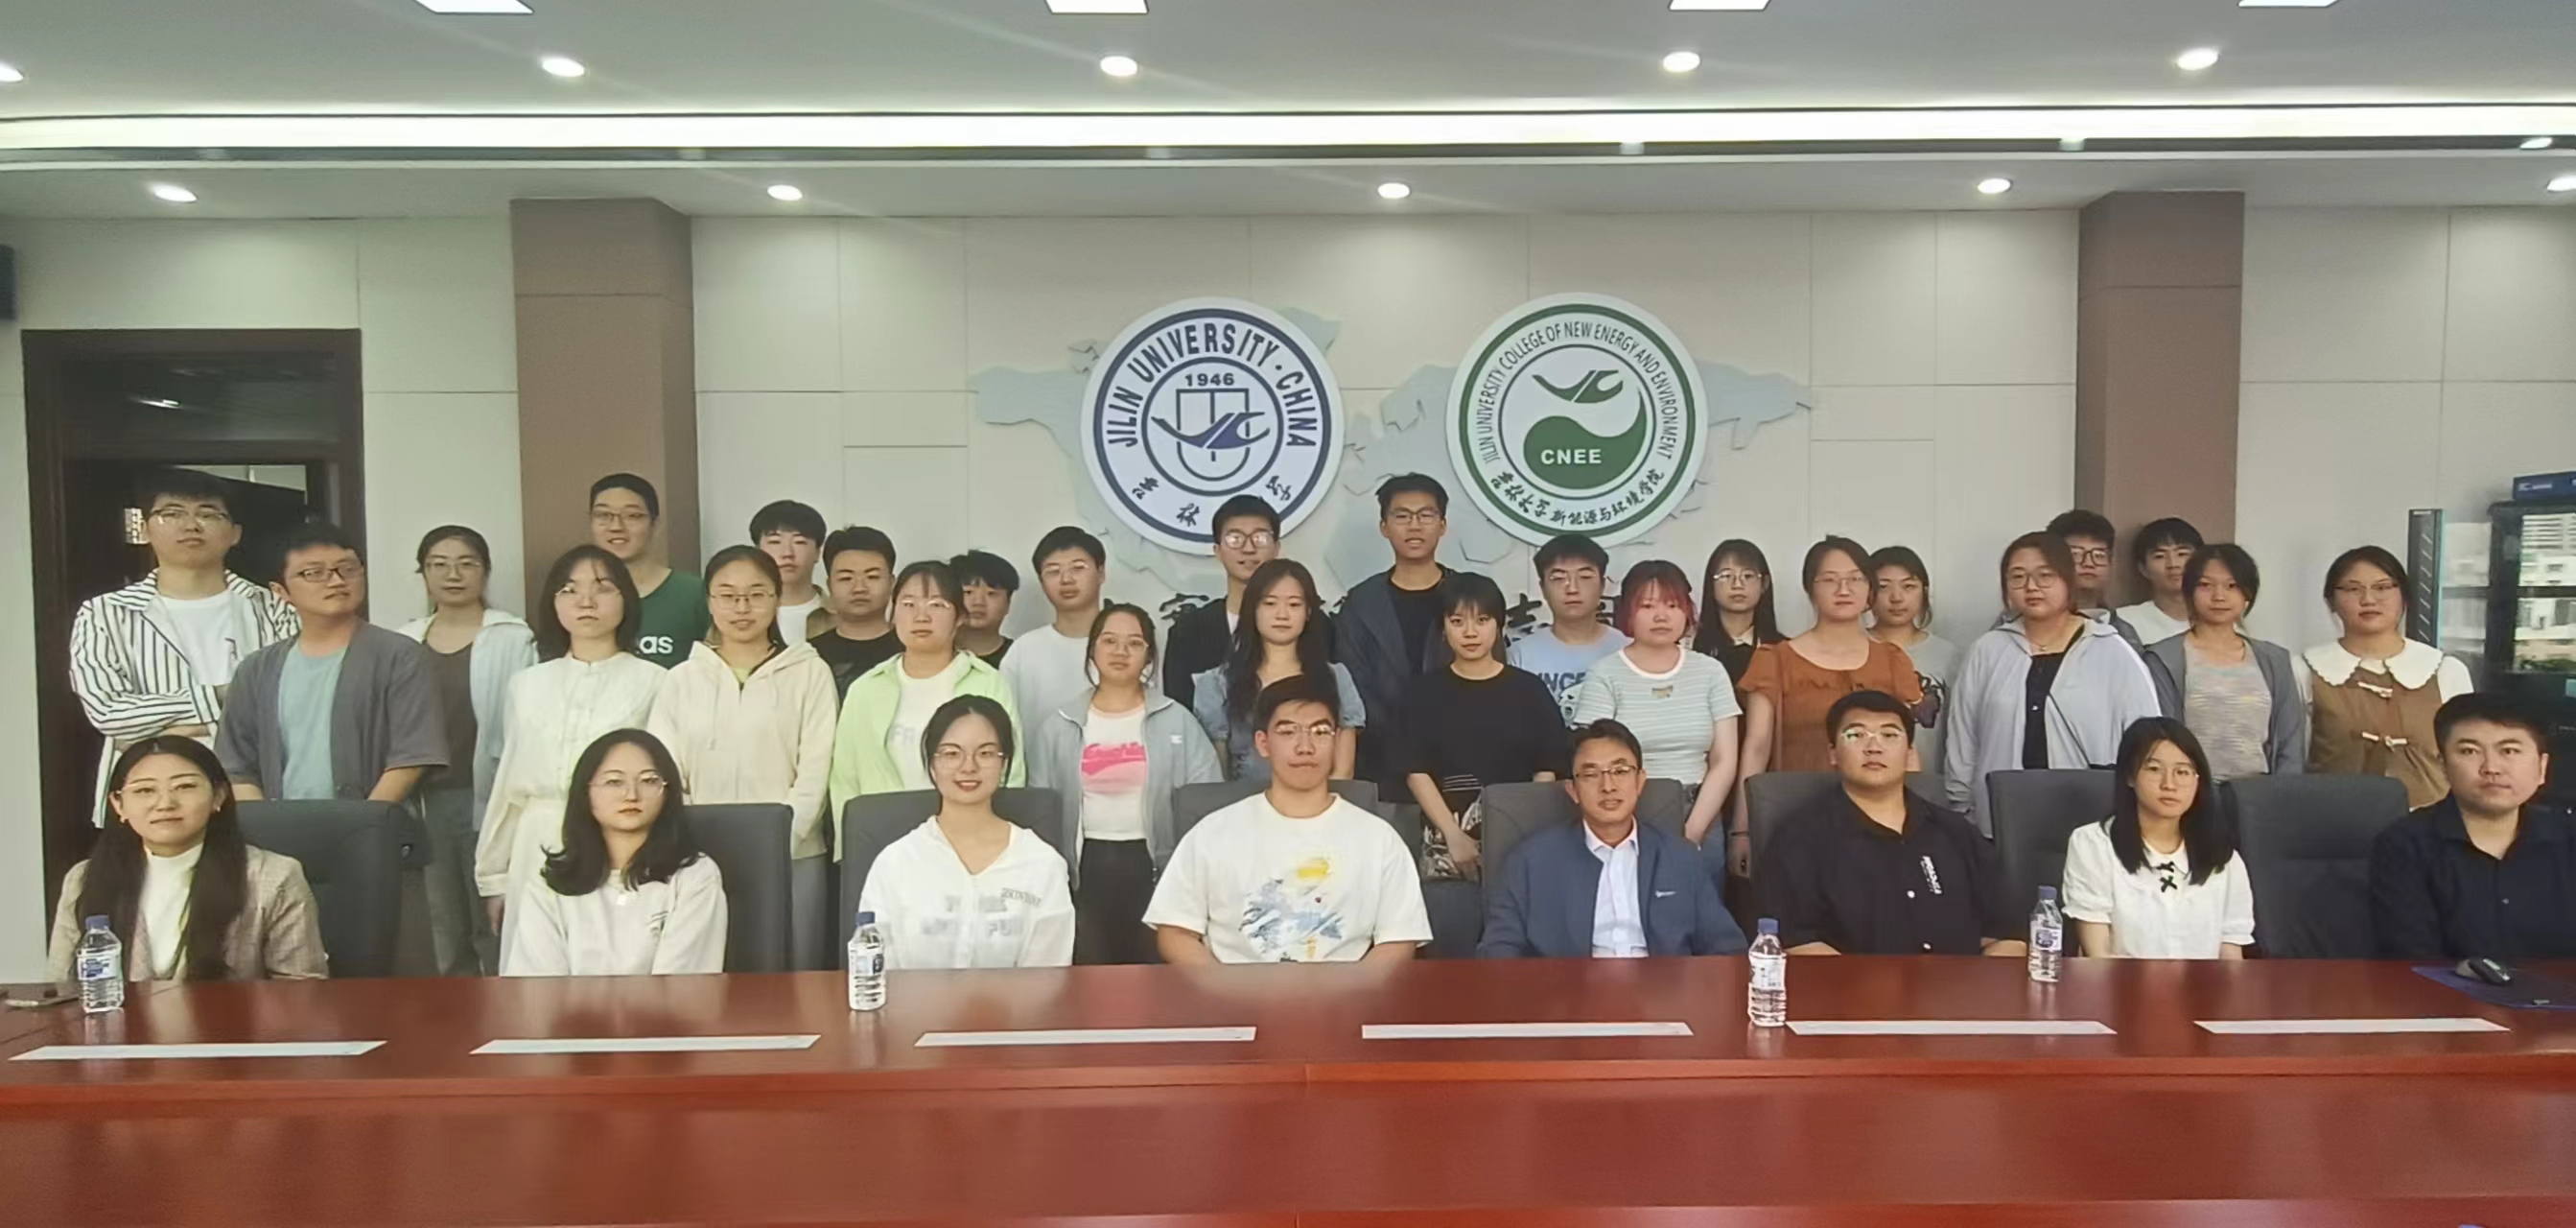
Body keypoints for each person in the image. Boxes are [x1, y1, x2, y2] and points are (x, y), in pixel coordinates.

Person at [1144, 674, 1432, 964]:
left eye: (1320, 732)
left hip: (1346, 991)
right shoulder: (1212, 833)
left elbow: (1398, 940)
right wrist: (1223, 987)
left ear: (1336, 741)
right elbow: (1176, 931)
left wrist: (1355, 990)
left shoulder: (1379, 839)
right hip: (1235, 989)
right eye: (1288, 732)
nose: (1305, 746)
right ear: (1263, 743)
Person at [646, 546, 839, 969]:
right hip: (696, 857)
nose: (742, 607)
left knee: (793, 977)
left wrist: (774, 843)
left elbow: (816, 770)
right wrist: (693, 842)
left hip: (793, 856)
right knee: (709, 972)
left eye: (756, 594)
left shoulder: (810, 673)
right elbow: (664, 773)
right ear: (709, 601)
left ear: (777, 598)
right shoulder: (680, 680)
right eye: (728, 596)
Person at [71, 470, 299, 818]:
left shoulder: (275, 608)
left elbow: (290, 705)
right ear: (145, 528)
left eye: (208, 514)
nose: (191, 525)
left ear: (235, 533)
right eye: (172, 513)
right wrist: (223, 696)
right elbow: (109, 713)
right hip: (150, 804)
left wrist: (167, 732)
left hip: (258, 791)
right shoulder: (105, 613)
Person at [474, 546, 667, 930]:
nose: (586, 601)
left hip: (618, 843)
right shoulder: (526, 685)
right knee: (536, 957)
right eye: (569, 589)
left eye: (603, 587)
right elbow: (508, 785)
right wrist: (494, 876)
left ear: (626, 599)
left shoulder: (656, 681)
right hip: (535, 843)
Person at [1757, 691, 2026, 956]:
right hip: (1851, 984)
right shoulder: (1800, 839)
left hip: (1960, 983)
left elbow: (2009, 935)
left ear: (1909, 753)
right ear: (1833, 753)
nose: (1874, 747)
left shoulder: (1957, 833)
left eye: (1889, 735)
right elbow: (1796, 942)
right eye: (1856, 735)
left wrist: (1976, 983)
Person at [1026, 602, 1223, 964]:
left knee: (1152, 974)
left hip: (1157, 865)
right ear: (1092, 650)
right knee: (1091, 971)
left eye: (1134, 643)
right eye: (1109, 641)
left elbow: (1205, 802)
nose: (1120, 651)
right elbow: (1041, 812)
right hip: (1084, 867)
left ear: (1149, 655)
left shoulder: (1176, 720)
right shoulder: (1059, 725)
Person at [47, 736, 326, 982]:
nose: (165, 803)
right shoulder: (83, 879)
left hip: (231, 1026)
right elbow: (61, 987)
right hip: (114, 1026)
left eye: (184, 787)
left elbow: (301, 990)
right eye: (144, 790)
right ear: (118, 805)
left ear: (218, 796)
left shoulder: (273, 877)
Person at [1945, 532, 2162, 835]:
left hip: (2092, 822)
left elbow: (2148, 738)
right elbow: (1963, 738)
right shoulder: (1987, 650)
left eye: (2045, 575)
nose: (2031, 586)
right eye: (2017, 577)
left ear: (2068, 579)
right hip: (2000, 821)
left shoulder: (2112, 651)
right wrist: (1962, 810)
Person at [217, 523, 447, 804]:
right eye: (314, 573)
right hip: (279, 825)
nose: (337, 581)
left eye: (348, 569)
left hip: (375, 823)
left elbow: (412, 755)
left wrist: (364, 822)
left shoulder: (400, 655)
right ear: (280, 591)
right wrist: (266, 823)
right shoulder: (256, 669)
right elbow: (236, 766)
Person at [394, 525, 538, 976]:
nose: (453, 575)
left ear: (485, 571)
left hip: (492, 794)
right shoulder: (404, 641)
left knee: (494, 914)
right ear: (423, 574)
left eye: (466, 564)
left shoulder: (513, 636)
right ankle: (455, 1005)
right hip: (426, 798)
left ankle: (503, 1000)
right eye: (439, 565)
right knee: (442, 918)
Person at [1477, 720, 1745, 959]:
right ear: (1573, 790)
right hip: (1567, 993)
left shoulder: (1681, 857)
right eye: (1591, 775)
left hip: (1664, 992)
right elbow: (1499, 949)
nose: (1608, 786)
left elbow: (1726, 948)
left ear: (1640, 782)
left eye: (1620, 771)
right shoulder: (1530, 860)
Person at [859, 696, 1076, 970]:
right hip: (914, 1000)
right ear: (932, 765)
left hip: (1018, 1001)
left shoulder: (1041, 864)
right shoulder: (895, 863)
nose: (969, 766)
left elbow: (1048, 977)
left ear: (1004, 764)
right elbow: (876, 971)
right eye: (952, 754)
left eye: (985, 753)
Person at [499, 729, 728, 977]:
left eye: (648, 780)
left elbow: (681, 987)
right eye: (614, 782)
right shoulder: (549, 883)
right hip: (565, 1005)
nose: (631, 795)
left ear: (668, 791)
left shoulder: (694, 877)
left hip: (664, 1005)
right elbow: (538, 986)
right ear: (585, 792)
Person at [2371, 693, 2575, 960]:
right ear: (2444, 766)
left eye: (2509, 751)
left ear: (2542, 767)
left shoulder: (2569, 839)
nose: (2491, 768)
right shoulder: (2405, 845)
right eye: (2469, 751)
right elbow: (2411, 959)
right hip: (2443, 988)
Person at [1402, 573, 1569, 881]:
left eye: (1482, 620)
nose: (1470, 632)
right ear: (1443, 629)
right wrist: (1453, 834)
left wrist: (1522, 829)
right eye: (1457, 622)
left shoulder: (1529, 691)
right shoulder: (1422, 694)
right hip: (1446, 846)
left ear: (1499, 624)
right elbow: (1415, 770)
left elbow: (1547, 768)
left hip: (1523, 840)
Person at [1571, 560, 1740, 852]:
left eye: (1672, 605)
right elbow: (1591, 757)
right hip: (1628, 812)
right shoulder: (1605, 674)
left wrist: (1694, 830)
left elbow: (1724, 760)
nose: (1661, 616)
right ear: (1627, 612)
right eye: (1647, 606)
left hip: (1701, 809)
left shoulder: (1710, 671)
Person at [1738, 536, 1925, 790]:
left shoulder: (1892, 660)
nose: (1843, 590)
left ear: (1869, 589)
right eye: (1829, 580)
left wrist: (1915, 807)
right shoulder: (1775, 660)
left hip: (1878, 804)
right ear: (1810, 589)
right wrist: (1744, 815)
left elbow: (1906, 749)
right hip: (1798, 804)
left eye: (1855, 579)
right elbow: (1757, 748)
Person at [830, 559, 1024, 801]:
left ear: (959, 617)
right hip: (882, 824)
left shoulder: (988, 683)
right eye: (908, 604)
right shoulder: (866, 689)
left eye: (936, 605)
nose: (921, 616)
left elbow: (1011, 772)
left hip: (968, 822)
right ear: (893, 614)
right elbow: (844, 781)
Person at [2062, 718, 2256, 959]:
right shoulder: (2093, 845)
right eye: (2154, 769)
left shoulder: (2223, 859)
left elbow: (2231, 959)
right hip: (2120, 982)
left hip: (2203, 984)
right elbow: (2098, 955)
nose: (2169, 784)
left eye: (2182, 772)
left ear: (2198, 781)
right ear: (2130, 776)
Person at [2304, 545, 2474, 810]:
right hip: (2332, 821)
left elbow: (2467, 756)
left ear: (2404, 597)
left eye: (2383, 588)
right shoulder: (2305, 669)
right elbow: (2292, 758)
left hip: (2427, 823)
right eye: (2352, 589)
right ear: (2331, 601)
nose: (2368, 599)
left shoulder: (2445, 669)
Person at [1191, 559, 1366, 783]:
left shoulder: (1336, 678)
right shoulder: (1218, 683)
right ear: (1253, 609)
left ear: (1308, 612)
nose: (1282, 614)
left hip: (1320, 800)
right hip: (1243, 802)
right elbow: (1215, 775)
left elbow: (1343, 771)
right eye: (1270, 603)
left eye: (1294, 605)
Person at [2141, 543, 2306, 779]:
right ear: (2189, 592)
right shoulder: (2163, 658)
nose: (2219, 596)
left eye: (2232, 586)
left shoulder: (2275, 660)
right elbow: (2163, 737)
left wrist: (2282, 795)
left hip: (2260, 793)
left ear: (2247, 594)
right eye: (2205, 585)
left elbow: (2290, 744)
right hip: (2190, 790)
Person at [1337, 474, 1454, 791]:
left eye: (1425, 515)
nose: (1414, 526)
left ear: (1442, 525)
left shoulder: (1467, 595)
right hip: (1380, 762)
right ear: (1384, 526)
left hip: (1459, 755)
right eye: (1402, 516)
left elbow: (1490, 671)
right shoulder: (1361, 602)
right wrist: (1401, 740)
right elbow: (1352, 682)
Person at [1163, 495, 1280, 712]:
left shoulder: (1310, 624)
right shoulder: (1189, 631)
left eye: (1260, 538)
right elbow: (1179, 714)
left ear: (1276, 548)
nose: (1248, 548)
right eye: (1235, 539)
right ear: (1217, 551)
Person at [1001, 526, 1112, 736]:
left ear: (1101, 573)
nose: (1066, 579)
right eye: (1053, 571)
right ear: (1041, 582)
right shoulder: (1024, 651)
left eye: (1078, 568)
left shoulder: (1127, 645)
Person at [1508, 532, 1629, 722]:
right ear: (1543, 588)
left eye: (1585, 577)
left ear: (1602, 585)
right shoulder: (1520, 655)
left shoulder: (1626, 650)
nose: (1572, 588)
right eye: (1558, 578)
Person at [589, 473, 706, 669]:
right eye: (603, 515)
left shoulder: (693, 593)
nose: (616, 527)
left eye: (632, 516)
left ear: (654, 524)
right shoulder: (575, 598)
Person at [1867, 545, 1961, 787]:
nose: (1896, 598)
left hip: (1929, 785)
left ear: (1924, 592)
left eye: (1908, 586)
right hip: (1862, 783)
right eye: (1883, 587)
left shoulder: (1949, 655)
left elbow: (1961, 733)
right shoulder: (1851, 649)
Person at [810, 526, 901, 697]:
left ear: (892, 583)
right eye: (846, 578)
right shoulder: (809, 655)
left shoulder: (913, 649)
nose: (859, 588)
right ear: (830, 585)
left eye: (872, 577)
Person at [1690, 538, 1782, 694]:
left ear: (1764, 584)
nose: (1737, 585)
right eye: (1726, 576)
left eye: (1748, 576)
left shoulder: (1784, 651)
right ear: (1711, 584)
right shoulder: (1689, 648)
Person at [2045, 508, 2143, 648]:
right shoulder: (2031, 624)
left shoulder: (2124, 633)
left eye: (2099, 555)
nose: (2089, 563)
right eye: (2076, 554)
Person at [751, 499, 832, 646]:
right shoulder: (736, 615)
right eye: (775, 542)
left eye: (799, 542)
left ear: (817, 552)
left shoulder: (841, 615)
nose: (787, 553)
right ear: (758, 551)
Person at [2117, 517, 2203, 646]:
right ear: (2143, 568)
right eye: (2159, 556)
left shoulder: (2223, 618)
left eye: (2182, 554)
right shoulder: (2125, 622)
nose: (2173, 564)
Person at [951, 550, 1019, 668]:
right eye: (968, 592)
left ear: (1008, 604)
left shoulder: (1020, 656)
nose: (978, 602)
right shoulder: (931, 655)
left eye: (991, 594)